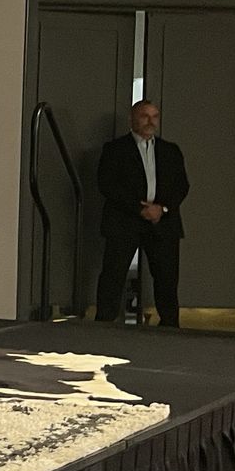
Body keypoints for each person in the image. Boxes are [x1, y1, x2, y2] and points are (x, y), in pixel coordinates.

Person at [95, 100, 187, 327]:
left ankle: (170, 326)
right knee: (113, 276)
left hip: (163, 222)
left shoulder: (171, 150)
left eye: (154, 116)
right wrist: (139, 209)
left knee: (167, 278)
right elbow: (107, 184)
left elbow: (182, 185)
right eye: (145, 116)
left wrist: (161, 208)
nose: (150, 121)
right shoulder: (115, 149)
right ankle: (103, 326)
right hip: (124, 221)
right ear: (132, 119)